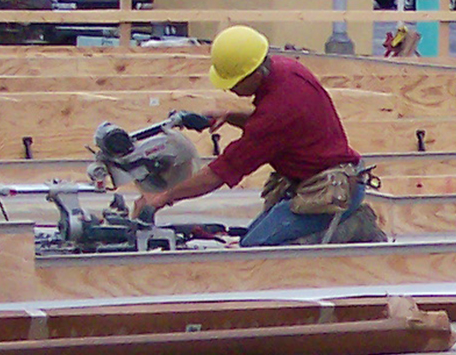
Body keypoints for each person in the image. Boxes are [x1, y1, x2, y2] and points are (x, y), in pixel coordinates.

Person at [135, 25, 377, 247]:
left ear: (255, 74)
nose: (228, 88)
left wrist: (163, 197)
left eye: (234, 82)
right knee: (251, 235)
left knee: (255, 249)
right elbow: (276, 124)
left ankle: (354, 226)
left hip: (332, 193)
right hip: (318, 180)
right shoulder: (285, 69)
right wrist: (230, 115)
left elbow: (218, 173)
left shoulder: (276, 115)